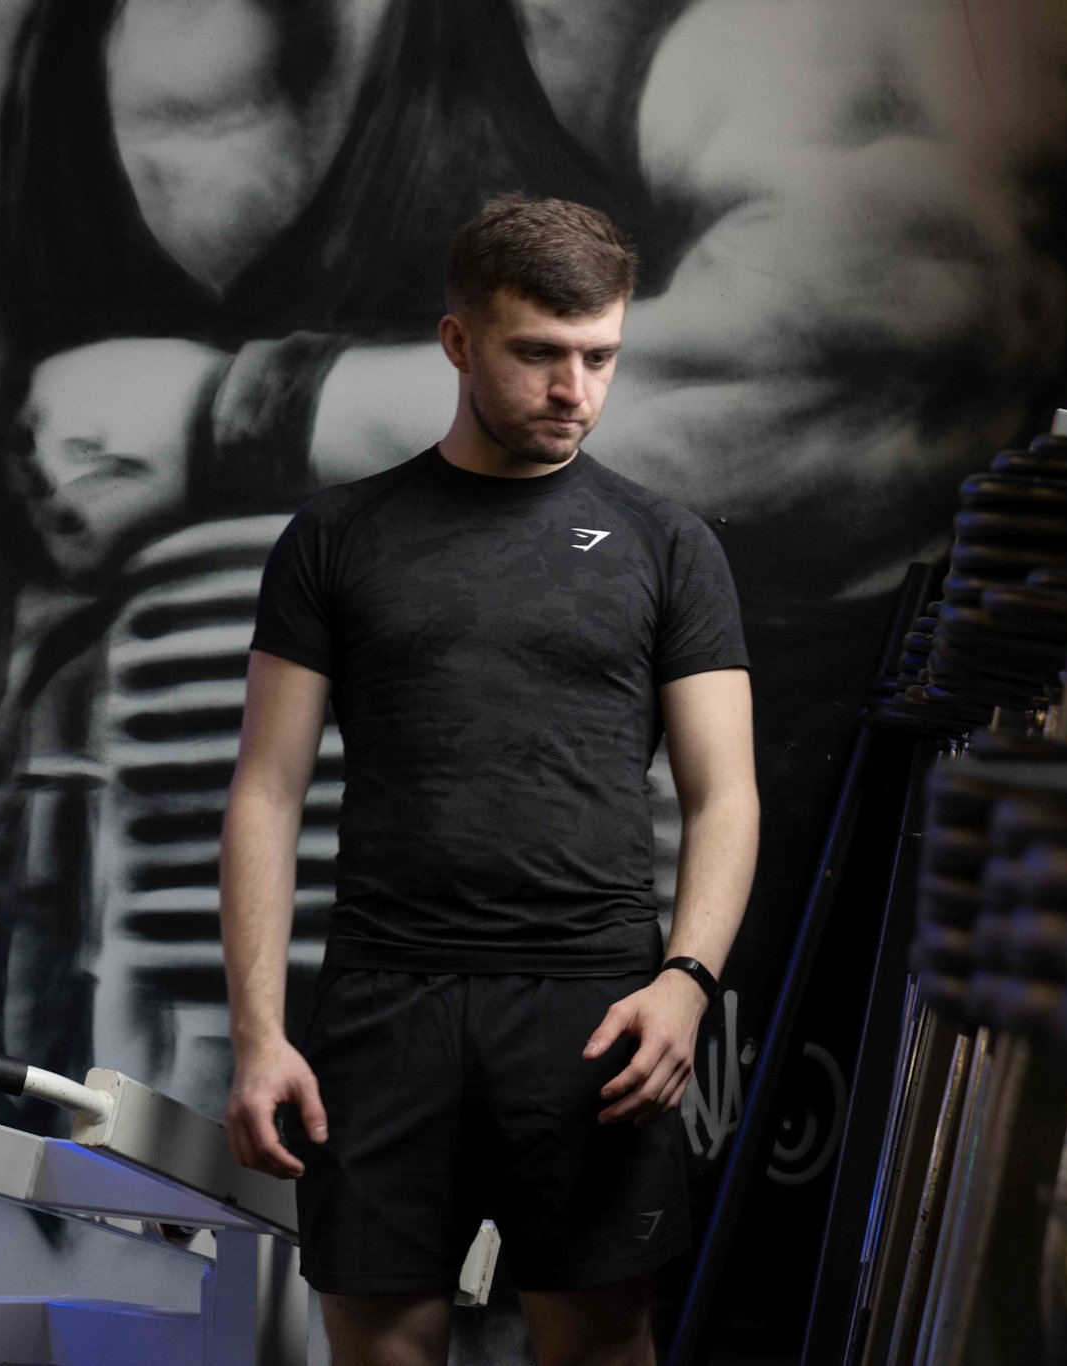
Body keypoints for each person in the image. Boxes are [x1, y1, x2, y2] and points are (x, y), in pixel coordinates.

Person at [219, 196, 759, 1365]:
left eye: (600, 357)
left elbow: (727, 794)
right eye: (540, 355)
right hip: (382, 1004)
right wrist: (260, 1033)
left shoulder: (667, 546)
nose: (574, 390)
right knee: (380, 1351)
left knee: (602, 1347)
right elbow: (264, 791)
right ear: (458, 342)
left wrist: (685, 981)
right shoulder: (336, 536)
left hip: (594, 1008)